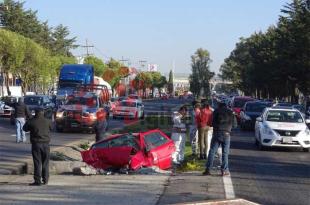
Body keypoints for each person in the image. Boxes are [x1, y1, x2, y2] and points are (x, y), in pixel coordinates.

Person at [203, 101, 236, 176]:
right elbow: (235, 125)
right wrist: (229, 128)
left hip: (217, 133)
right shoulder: (230, 112)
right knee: (225, 153)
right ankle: (224, 170)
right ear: (226, 106)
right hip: (227, 134)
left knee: (212, 151)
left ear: (219, 106)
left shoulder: (216, 111)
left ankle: (208, 169)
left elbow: (210, 123)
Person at [23, 108, 52, 186]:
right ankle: (45, 180)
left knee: (37, 163)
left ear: (35, 113)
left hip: (36, 145)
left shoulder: (32, 121)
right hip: (46, 144)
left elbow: (24, 128)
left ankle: (37, 181)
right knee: (45, 162)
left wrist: (29, 119)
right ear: (43, 113)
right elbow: (51, 128)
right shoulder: (48, 121)